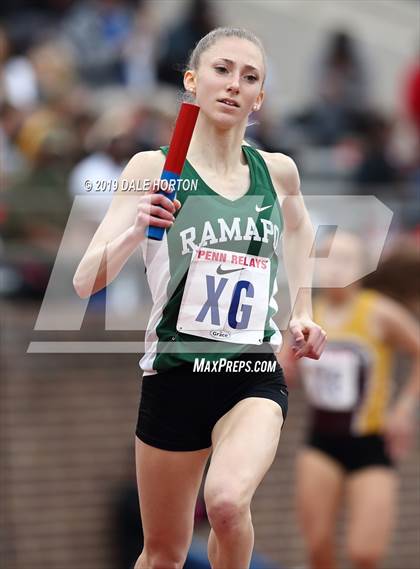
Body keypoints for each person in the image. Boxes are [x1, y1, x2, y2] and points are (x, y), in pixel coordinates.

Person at [73, 27, 326, 569]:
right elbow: (84, 281)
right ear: (192, 80)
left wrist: (302, 309)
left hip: (251, 370)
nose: (234, 84)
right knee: (162, 553)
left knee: (228, 503)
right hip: (175, 372)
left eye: (250, 77)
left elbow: (301, 232)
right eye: (222, 69)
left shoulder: (277, 172)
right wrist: (134, 231)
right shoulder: (151, 169)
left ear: (260, 98)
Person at [286, 232, 419, 569]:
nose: (335, 269)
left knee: (365, 554)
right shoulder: (307, 315)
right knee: (317, 546)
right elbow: (283, 369)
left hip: (371, 444)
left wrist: (404, 409)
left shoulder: (379, 312)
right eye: (328, 260)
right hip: (321, 443)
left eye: (345, 260)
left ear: (361, 268)